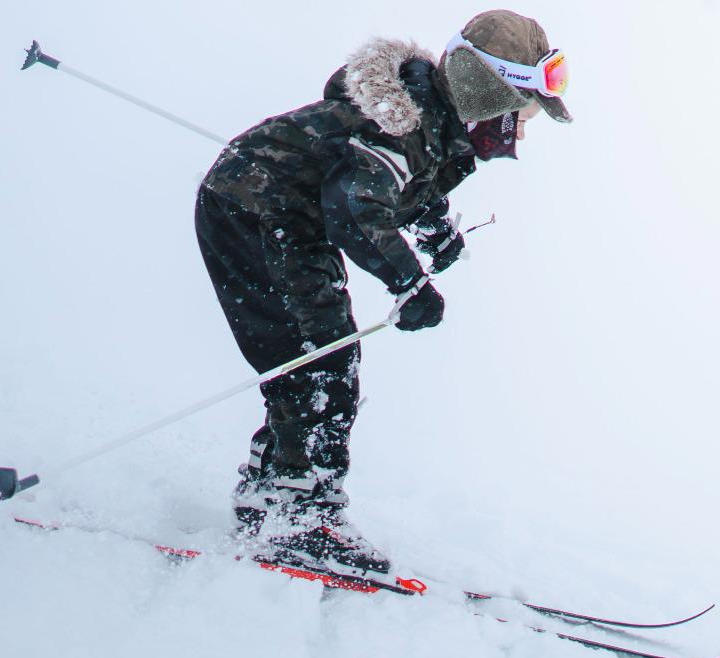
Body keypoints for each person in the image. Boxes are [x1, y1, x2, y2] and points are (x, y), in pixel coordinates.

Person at [191, 10, 571, 579]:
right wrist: (409, 283)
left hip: (290, 219)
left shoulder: (440, 126)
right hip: (252, 209)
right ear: (488, 95)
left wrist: (434, 228)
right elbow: (353, 208)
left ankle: (272, 496)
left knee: (319, 357)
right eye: (524, 112)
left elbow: (406, 187)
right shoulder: (402, 126)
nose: (524, 127)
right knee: (321, 360)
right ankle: (297, 517)